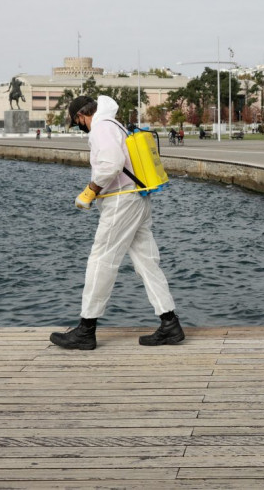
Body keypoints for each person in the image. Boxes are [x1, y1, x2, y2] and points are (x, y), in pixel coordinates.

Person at [50, 94, 184, 351]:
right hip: (137, 198)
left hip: (122, 202)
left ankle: (86, 330)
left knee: (101, 260)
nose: (80, 126)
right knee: (146, 262)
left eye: (77, 121)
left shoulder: (100, 127)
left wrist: (91, 190)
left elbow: (112, 163)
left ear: (81, 116)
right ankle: (170, 324)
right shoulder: (115, 124)